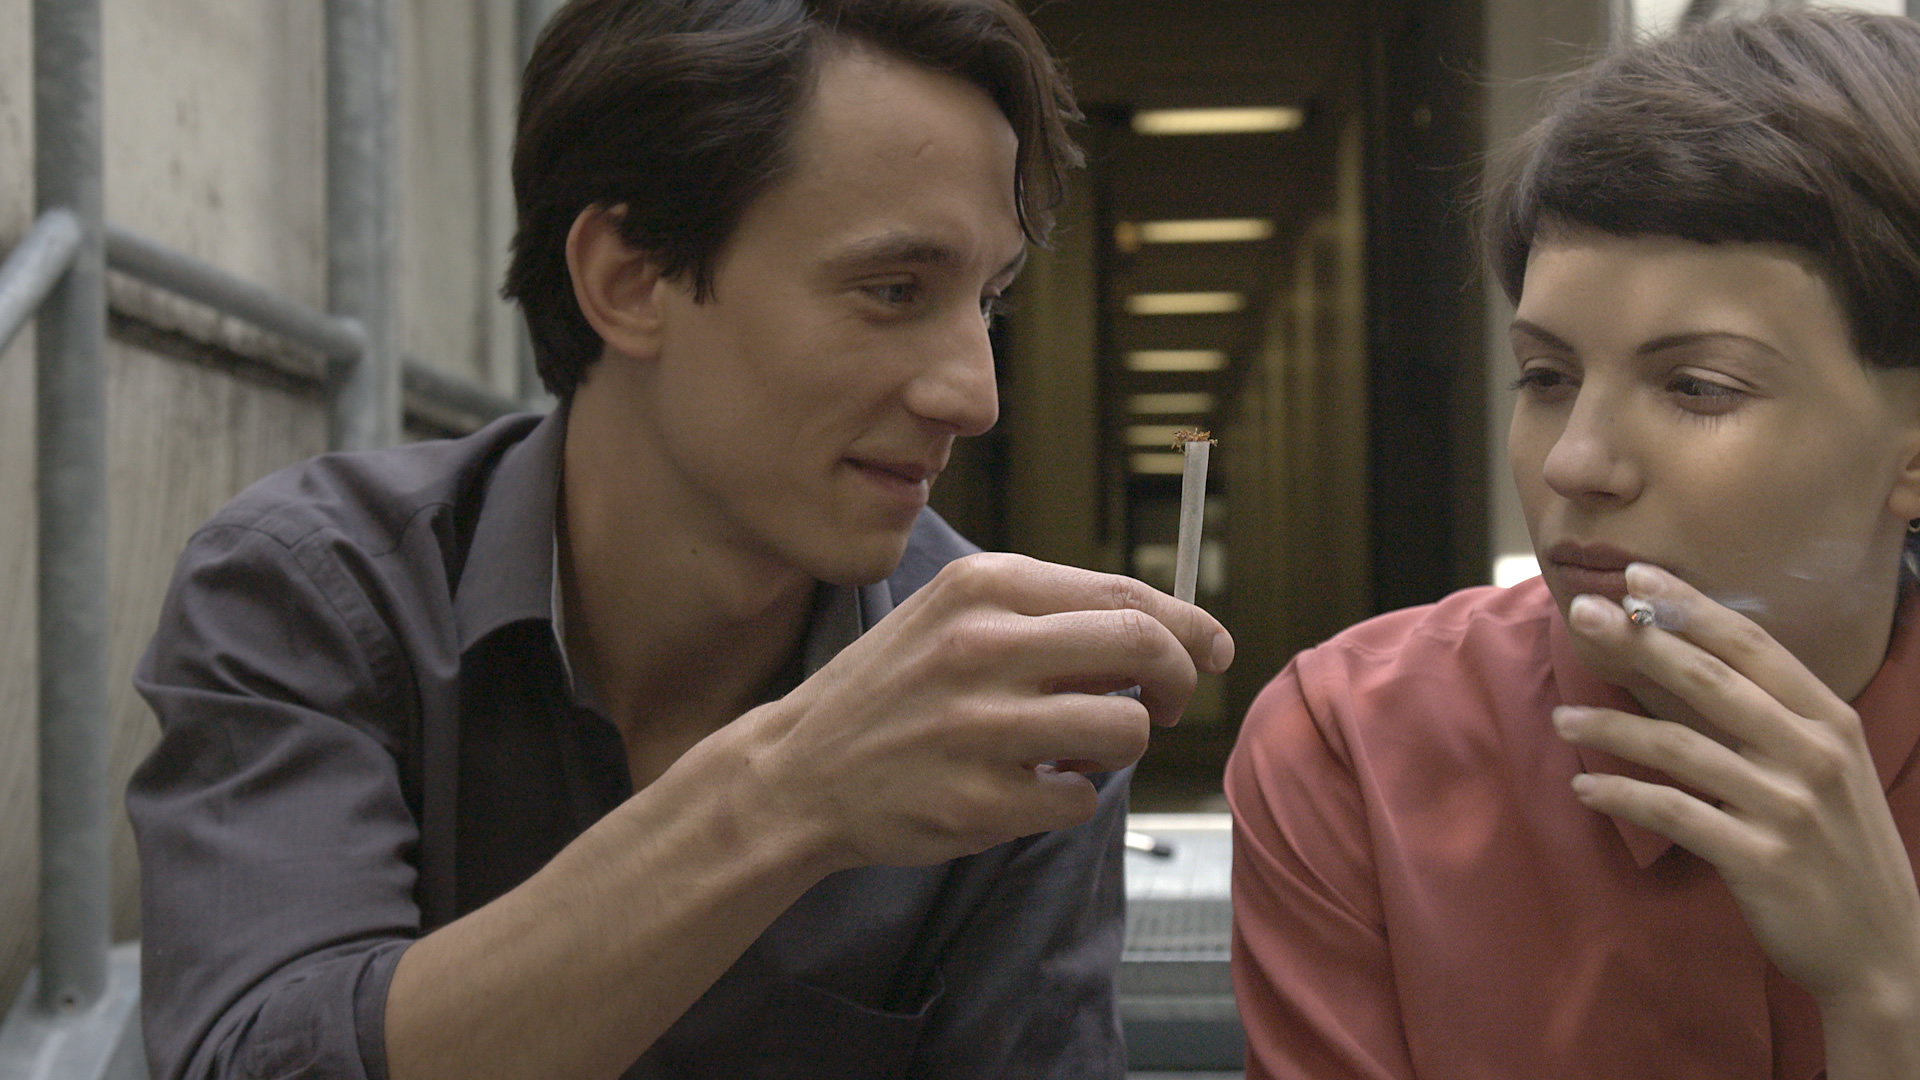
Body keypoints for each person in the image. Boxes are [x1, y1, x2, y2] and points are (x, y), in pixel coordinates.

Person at [128, 2, 1235, 1078]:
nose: (975, 395)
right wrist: (787, 799)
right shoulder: (319, 592)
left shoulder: (1004, 710)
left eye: (986, 302)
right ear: (629, 280)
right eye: (894, 289)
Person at [1226, 10, 1920, 1079]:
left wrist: (1883, 997)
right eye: (1545, 377)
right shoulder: (1357, 746)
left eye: (1698, 387)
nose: (1576, 463)